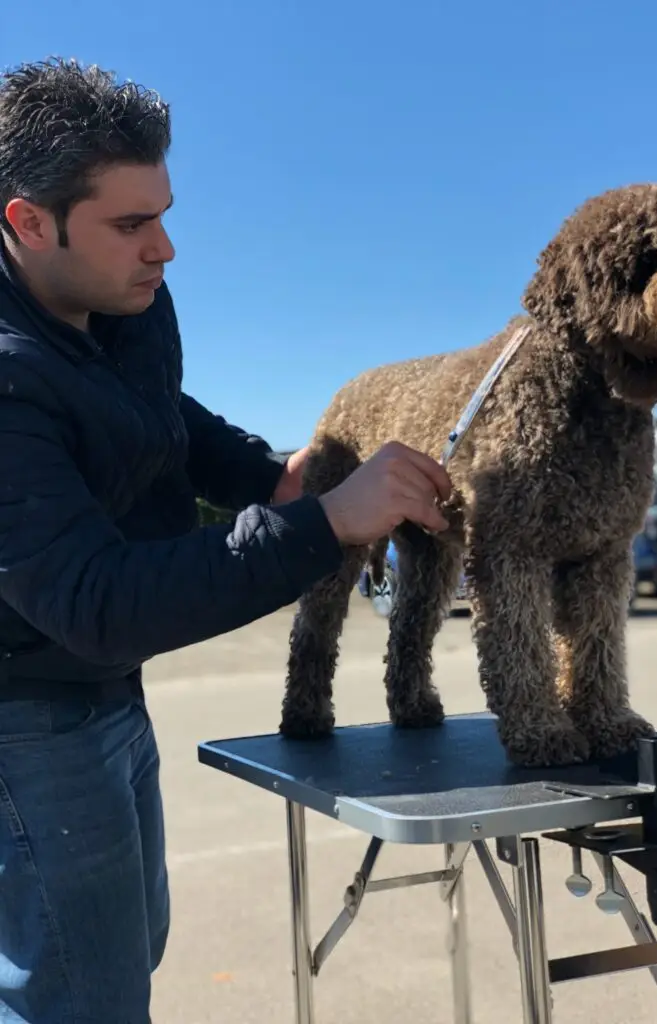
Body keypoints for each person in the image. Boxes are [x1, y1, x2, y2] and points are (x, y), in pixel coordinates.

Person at [0, 57, 452, 1024]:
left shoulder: (121, 295)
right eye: (131, 224)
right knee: (80, 998)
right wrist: (325, 523)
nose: (165, 249)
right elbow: (97, 602)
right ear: (28, 221)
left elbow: (163, 416)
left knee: (121, 951)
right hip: (24, 708)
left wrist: (279, 477)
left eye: (163, 212)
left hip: (102, 696)